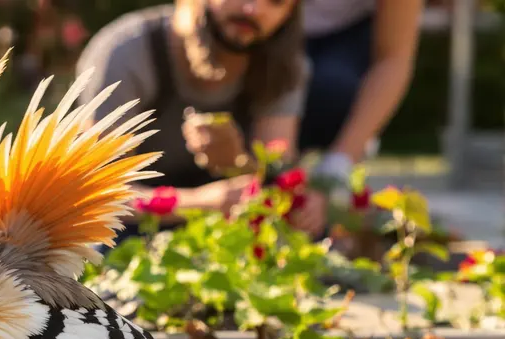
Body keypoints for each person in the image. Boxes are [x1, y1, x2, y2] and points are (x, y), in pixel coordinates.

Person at [75, 0, 326, 239]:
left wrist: (241, 165)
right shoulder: (126, 53)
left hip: (221, 232)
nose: (253, 9)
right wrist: (198, 203)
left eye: (276, 2)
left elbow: (275, 172)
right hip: (131, 225)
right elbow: (96, 193)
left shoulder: (284, 66)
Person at [299, 0, 425, 185]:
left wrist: (341, 160)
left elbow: (394, 59)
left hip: (346, 35)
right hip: (265, 25)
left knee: (333, 90)